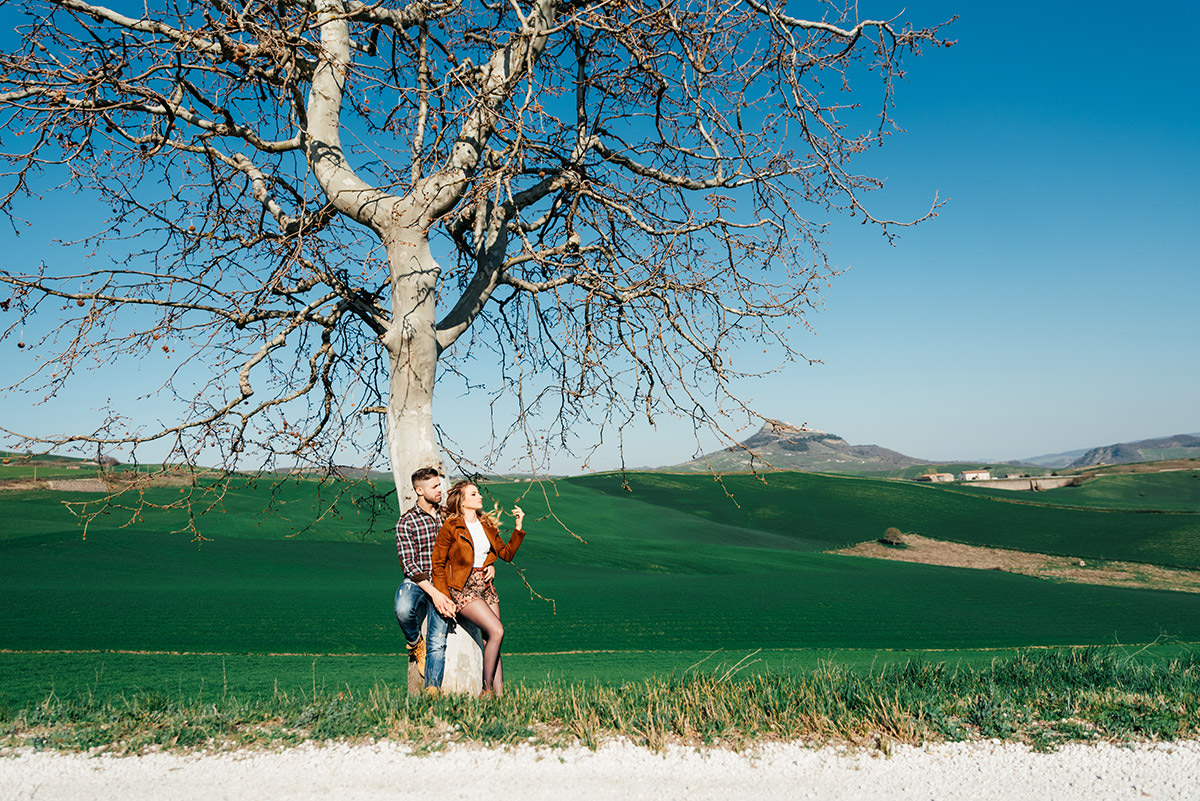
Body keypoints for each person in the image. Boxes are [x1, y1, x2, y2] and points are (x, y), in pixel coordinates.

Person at [394, 466, 485, 692]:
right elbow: (409, 565)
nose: (439, 490)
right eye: (434, 486)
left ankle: (432, 689)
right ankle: (415, 643)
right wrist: (435, 594)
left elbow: (477, 539)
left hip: (444, 582)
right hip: (418, 581)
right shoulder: (406, 522)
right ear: (419, 491)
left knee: (438, 639)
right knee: (403, 609)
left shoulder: (449, 516)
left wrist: (488, 563)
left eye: (439, 485)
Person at [431, 481, 526, 697]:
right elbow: (437, 564)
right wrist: (443, 598)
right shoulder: (451, 527)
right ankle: (487, 690)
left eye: (478, 492)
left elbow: (506, 554)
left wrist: (518, 526)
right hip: (462, 587)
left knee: (493, 638)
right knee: (497, 630)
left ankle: (500, 697)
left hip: (485, 584)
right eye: (473, 493)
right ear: (462, 501)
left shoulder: (486, 525)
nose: (479, 496)